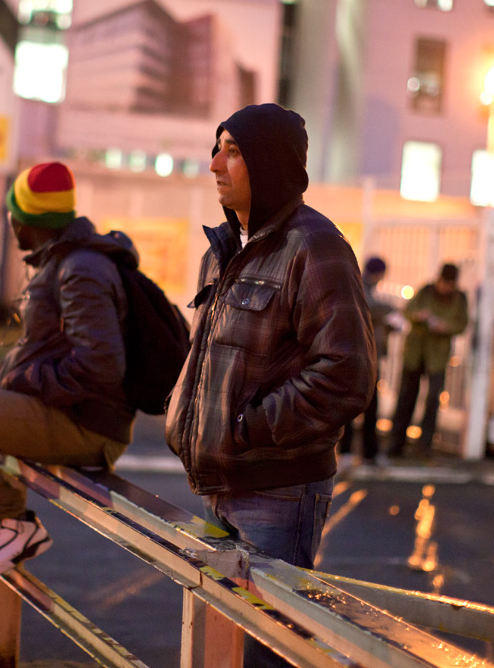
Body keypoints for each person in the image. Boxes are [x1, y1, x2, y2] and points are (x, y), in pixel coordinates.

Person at [164, 103, 375, 668]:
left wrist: (246, 427)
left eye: (233, 151)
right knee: (219, 646)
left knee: (266, 651)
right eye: (218, 148)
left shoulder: (315, 246)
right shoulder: (224, 249)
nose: (215, 164)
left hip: (279, 492)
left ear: (271, 165)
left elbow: (346, 374)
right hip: (216, 484)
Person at [0, 161, 137, 585]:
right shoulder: (62, 260)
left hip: (88, 427)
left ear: (26, 220)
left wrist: (30, 380)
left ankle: (10, 522)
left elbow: (104, 366)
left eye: (11, 213)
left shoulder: (80, 270)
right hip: (63, 408)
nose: (9, 222)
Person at [387, 263, 469, 458]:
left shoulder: (459, 299)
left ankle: (425, 445)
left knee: (433, 400)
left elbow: (461, 324)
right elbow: (408, 311)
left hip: (437, 357)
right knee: (406, 398)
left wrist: (445, 327)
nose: (445, 288)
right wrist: (419, 317)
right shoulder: (425, 291)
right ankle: (396, 443)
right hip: (415, 353)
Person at [338, 256, 395, 469]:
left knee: (360, 403)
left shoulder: (359, 285)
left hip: (360, 354)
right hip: (362, 355)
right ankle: (358, 453)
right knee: (365, 404)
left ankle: (355, 452)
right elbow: (371, 307)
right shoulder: (361, 287)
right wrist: (390, 311)